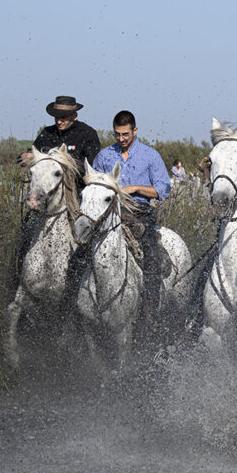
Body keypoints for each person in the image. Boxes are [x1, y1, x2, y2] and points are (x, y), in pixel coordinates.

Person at [92, 110, 171, 318]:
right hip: (111, 212)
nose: (121, 139)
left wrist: (136, 188)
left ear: (135, 130)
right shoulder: (104, 156)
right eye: (117, 134)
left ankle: (152, 311)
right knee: (83, 250)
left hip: (140, 212)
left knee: (151, 256)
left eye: (125, 134)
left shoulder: (150, 155)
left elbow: (163, 190)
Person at [28, 95, 101, 172]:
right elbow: (34, 152)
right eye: (56, 117)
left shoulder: (87, 134)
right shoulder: (47, 132)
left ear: (75, 116)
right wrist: (26, 157)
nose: (59, 122)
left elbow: (92, 165)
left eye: (63, 117)